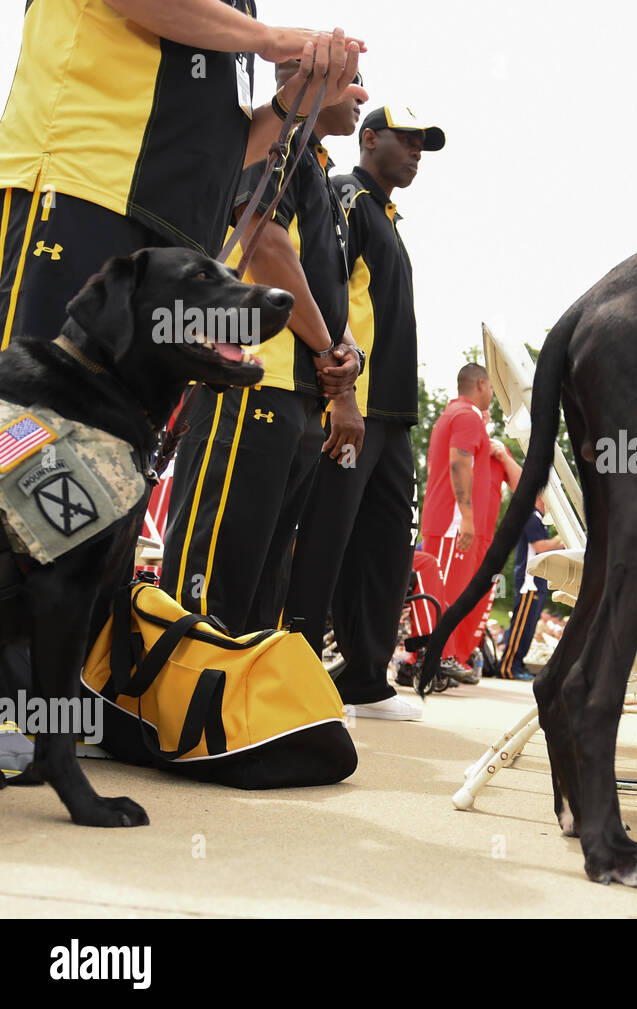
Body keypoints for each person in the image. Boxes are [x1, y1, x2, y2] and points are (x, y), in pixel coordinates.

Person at [0, 2, 365, 352]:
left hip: (178, 247)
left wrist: (292, 105)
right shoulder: (249, 29)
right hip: (85, 192)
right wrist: (267, 38)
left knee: (124, 414)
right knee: (38, 405)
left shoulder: (241, 13)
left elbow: (226, 153)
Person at [161, 62, 364, 635]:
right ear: (305, 78)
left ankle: (227, 719)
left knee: (258, 593)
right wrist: (328, 351)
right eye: (351, 79)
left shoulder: (319, 167)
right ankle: (170, 717)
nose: (362, 93)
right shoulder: (279, 143)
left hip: (296, 396)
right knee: (206, 591)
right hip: (249, 381)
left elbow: (323, 283)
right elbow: (263, 243)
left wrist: (345, 353)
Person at [282, 105, 445, 720]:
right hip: (354, 404)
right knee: (326, 536)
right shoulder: (345, 196)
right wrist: (339, 393)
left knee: (384, 548)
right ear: (368, 138)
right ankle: (292, 670)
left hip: (393, 414)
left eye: (422, 143)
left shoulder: (387, 217)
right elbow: (327, 287)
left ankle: (366, 677)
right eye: (405, 139)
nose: (416, 151)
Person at [420, 364, 522, 681]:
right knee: (445, 595)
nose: (492, 394)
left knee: (447, 594)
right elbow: (458, 461)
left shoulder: (460, 415)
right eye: (491, 387)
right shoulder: (466, 415)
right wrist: (466, 516)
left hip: (454, 522)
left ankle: (437, 659)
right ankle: (434, 658)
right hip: (453, 522)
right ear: (480, 384)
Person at [498, 496, 562, 681]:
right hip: (530, 581)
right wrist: (562, 536)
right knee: (521, 626)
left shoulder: (540, 520)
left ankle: (516, 664)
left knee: (528, 627)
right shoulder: (531, 516)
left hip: (538, 582)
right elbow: (541, 547)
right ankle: (508, 666)